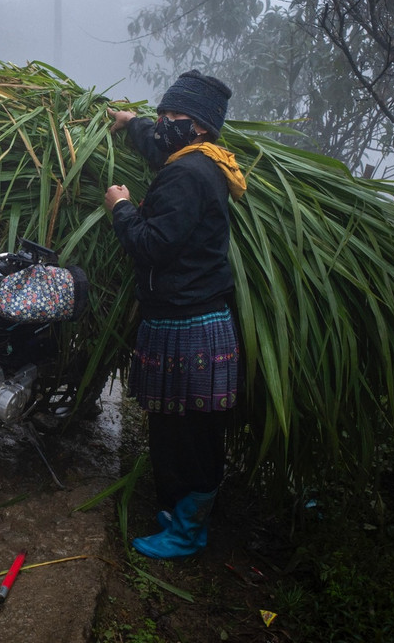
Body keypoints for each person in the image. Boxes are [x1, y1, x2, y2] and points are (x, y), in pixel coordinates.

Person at [103, 70, 247, 559]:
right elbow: (159, 144)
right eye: (160, 115)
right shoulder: (199, 160)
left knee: (189, 433)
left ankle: (188, 532)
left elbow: (154, 245)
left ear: (199, 127)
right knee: (176, 426)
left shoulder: (187, 174)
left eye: (172, 116)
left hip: (190, 323)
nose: (162, 123)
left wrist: (121, 208)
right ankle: (177, 513)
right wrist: (131, 122)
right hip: (188, 316)